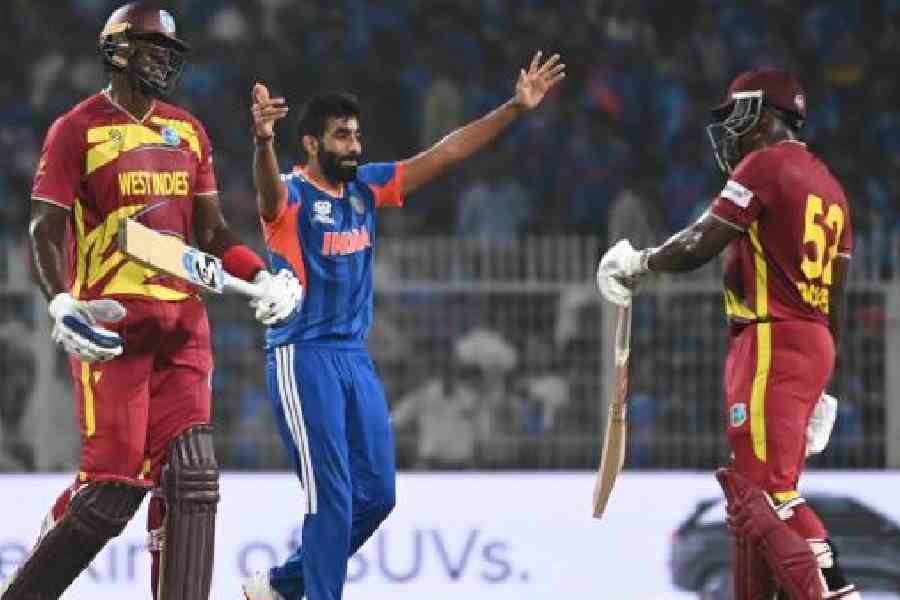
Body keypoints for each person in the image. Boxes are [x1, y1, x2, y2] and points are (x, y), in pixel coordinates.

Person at [1, 3, 301, 600]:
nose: (163, 60)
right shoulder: (76, 129)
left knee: (193, 480)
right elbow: (43, 228)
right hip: (113, 328)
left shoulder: (188, 130)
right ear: (116, 50)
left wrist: (264, 277)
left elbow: (210, 234)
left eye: (168, 51)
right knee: (112, 492)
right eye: (150, 48)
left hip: (185, 324)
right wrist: (60, 302)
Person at [242, 51, 565, 600]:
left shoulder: (367, 187)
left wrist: (514, 108)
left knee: (378, 495)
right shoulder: (293, 196)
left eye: (356, 136)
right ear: (313, 145)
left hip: (353, 357)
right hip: (303, 354)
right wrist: (263, 142)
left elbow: (447, 152)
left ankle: (279, 584)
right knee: (333, 497)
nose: (354, 146)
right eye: (341, 137)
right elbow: (268, 195)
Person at [597, 68, 860, 600]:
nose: (730, 129)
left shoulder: (764, 165)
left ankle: (833, 592)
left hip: (770, 340)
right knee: (762, 494)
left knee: (767, 496)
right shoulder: (832, 189)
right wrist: (825, 382)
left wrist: (640, 261)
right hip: (810, 343)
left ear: (765, 114)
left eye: (736, 114)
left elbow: (699, 243)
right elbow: (835, 297)